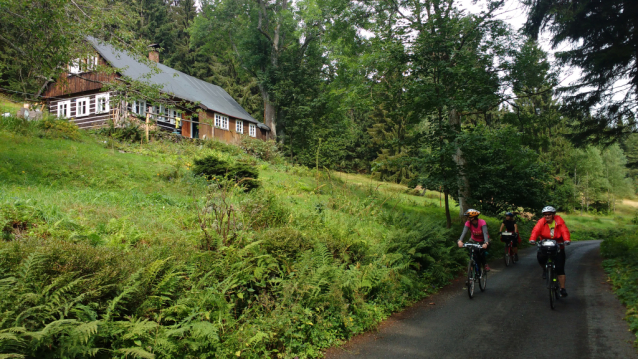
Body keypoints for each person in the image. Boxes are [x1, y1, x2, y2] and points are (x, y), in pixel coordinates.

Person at [529, 206, 571, 297]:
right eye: (545, 215)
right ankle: (545, 269)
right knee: (540, 258)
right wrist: (532, 239)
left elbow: (564, 231)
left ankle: (562, 288)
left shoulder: (559, 221)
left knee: (560, 268)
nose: (547, 216)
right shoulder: (541, 221)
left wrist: (566, 240)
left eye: (549, 214)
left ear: (553, 215)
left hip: (558, 245)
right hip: (545, 244)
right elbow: (536, 230)